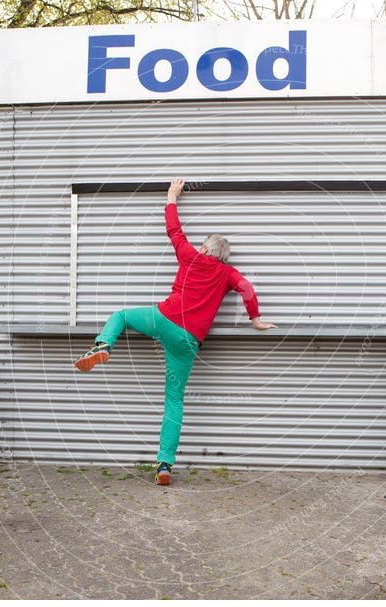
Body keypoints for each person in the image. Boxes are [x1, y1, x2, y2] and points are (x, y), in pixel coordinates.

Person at [74, 179, 277, 485]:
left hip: (165, 319)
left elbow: (174, 230)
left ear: (206, 248)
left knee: (120, 315)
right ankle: (164, 465)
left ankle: (103, 346)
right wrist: (256, 319)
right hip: (188, 342)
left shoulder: (190, 256)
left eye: (202, 244)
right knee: (174, 401)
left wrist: (171, 196)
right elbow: (246, 288)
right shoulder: (228, 273)